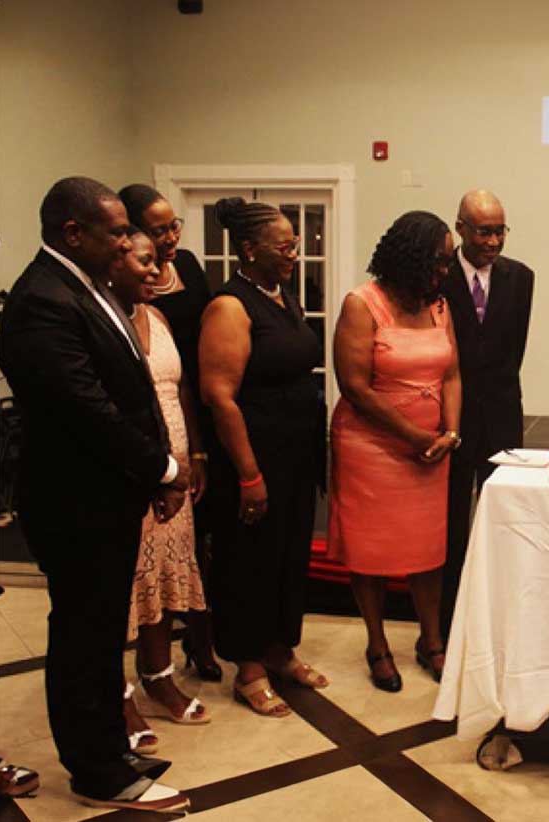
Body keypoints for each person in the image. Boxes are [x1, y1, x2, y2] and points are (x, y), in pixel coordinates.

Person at [0, 177, 189, 812]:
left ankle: (109, 747)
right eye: (113, 232)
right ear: (71, 232)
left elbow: (137, 383)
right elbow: (87, 408)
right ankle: (96, 772)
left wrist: (156, 468)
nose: (124, 243)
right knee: (83, 639)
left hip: (109, 494)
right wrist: (161, 467)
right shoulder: (41, 301)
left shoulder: (88, 286)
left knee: (106, 635)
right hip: (74, 502)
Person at [199, 197, 327, 718]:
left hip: (296, 454)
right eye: (285, 246)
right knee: (250, 561)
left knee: (289, 557)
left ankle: (280, 650)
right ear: (249, 250)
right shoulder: (230, 307)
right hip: (256, 457)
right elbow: (220, 395)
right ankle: (249, 669)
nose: (294, 253)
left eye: (295, 245)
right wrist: (249, 474)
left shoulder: (282, 297)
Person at [328, 211, 461, 689]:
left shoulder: (439, 305)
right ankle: (377, 644)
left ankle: (431, 641)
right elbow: (356, 388)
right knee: (372, 551)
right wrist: (414, 436)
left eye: (448, 262)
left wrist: (450, 432)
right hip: (374, 448)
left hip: (431, 450)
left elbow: (450, 374)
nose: (444, 271)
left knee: (429, 549)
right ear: (410, 256)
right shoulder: (362, 305)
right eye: (439, 261)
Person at [107, 230, 213, 752]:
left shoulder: (159, 317)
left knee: (167, 583)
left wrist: (192, 456)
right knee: (126, 591)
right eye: (144, 262)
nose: (155, 272)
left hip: (176, 471)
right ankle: (118, 694)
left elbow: (182, 388)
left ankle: (158, 675)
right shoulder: (101, 321)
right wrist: (154, 471)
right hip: (131, 477)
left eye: (156, 262)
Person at [119, 184, 221, 683]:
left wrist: (198, 448)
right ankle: (152, 661)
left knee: (198, 544)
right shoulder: (122, 297)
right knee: (145, 556)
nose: (171, 236)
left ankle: (201, 641)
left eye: (172, 225)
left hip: (194, 408)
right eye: (159, 230)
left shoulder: (191, 271)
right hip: (150, 427)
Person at [440, 190, 533, 639]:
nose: (494, 241)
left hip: (501, 417)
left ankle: (500, 622)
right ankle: (448, 626)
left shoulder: (521, 278)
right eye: (484, 231)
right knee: (451, 525)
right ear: (460, 228)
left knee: (504, 522)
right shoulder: (437, 278)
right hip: (450, 420)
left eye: (500, 230)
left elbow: (512, 353)